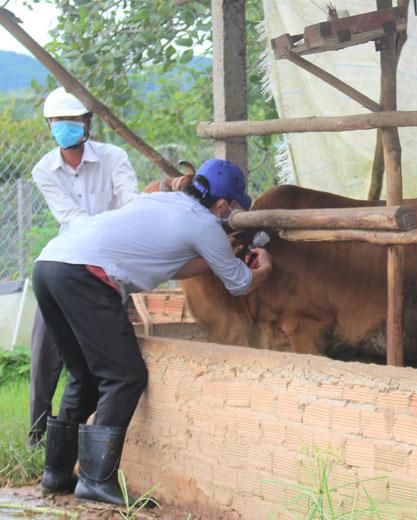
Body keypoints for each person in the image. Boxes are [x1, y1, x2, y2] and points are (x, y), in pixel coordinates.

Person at [32, 158, 272, 505]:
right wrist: (266, 269)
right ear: (223, 205)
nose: (230, 212)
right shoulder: (204, 224)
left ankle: (55, 474)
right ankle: (96, 481)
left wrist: (217, 256)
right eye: (233, 206)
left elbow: (168, 263)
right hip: (84, 275)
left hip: (50, 265)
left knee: (83, 374)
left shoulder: (159, 200)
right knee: (124, 375)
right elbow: (240, 284)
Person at [28, 87, 139, 445]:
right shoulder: (44, 170)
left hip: (112, 262)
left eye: (73, 120)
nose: (66, 127)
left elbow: (130, 205)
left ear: (87, 123)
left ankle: (84, 436)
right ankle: (38, 431)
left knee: (100, 362)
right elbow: (71, 218)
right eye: (59, 121)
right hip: (69, 260)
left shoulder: (113, 157)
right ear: (49, 124)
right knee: (45, 345)